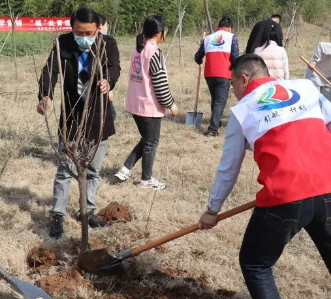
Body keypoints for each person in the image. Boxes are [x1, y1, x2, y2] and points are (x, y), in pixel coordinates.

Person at [198, 54, 331, 299]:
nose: (232, 91)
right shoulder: (305, 87)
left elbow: (229, 167)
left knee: (255, 263)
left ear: (244, 79)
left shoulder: (244, 108)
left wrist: (212, 209)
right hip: (328, 188)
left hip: (285, 196)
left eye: (232, 84)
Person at [37, 7, 120, 239]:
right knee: (65, 168)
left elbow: (114, 68)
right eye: (79, 33)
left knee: (93, 169)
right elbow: (49, 70)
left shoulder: (107, 44)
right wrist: (45, 94)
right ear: (71, 28)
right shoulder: (63, 44)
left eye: (89, 33)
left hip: (98, 114)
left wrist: (108, 81)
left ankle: (89, 211)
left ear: (98, 29)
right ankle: (57, 214)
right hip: (71, 115)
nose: (84, 38)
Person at [114, 15, 178, 189]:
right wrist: (171, 104)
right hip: (148, 106)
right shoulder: (153, 52)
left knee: (146, 139)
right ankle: (146, 180)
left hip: (135, 103)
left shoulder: (138, 48)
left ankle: (125, 169)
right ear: (159, 33)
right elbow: (160, 83)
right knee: (151, 142)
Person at [194, 15, 239, 136]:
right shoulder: (232, 37)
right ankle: (213, 129)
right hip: (224, 73)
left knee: (215, 99)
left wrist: (200, 61)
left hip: (209, 74)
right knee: (220, 101)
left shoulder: (208, 38)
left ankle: (217, 122)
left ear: (218, 27)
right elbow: (235, 57)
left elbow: (197, 57)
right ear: (229, 28)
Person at [98, 13, 117, 120]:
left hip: (105, 83)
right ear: (100, 25)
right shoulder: (106, 41)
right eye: (106, 25)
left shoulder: (108, 42)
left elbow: (112, 68)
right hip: (101, 87)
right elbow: (106, 66)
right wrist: (109, 90)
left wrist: (109, 84)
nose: (107, 27)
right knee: (110, 115)